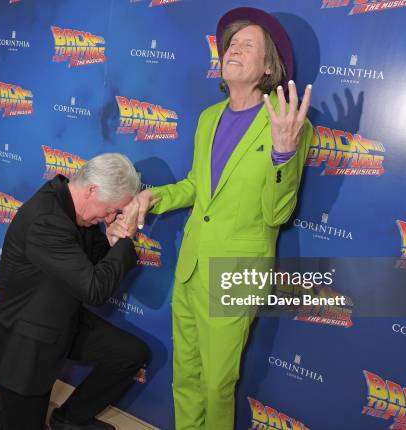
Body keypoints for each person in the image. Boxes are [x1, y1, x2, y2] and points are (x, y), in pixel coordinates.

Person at [134, 7, 314, 430]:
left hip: (237, 272)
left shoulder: (287, 125)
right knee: (187, 377)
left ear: (268, 66)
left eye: (246, 44)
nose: (233, 47)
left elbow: (278, 213)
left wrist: (284, 153)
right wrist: (153, 196)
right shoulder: (208, 118)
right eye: (231, 43)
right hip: (192, 265)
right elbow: (199, 185)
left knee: (217, 384)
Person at [0, 153, 151, 430]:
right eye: (111, 210)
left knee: (130, 353)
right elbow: (95, 290)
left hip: (62, 321)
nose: (110, 218)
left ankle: (68, 420)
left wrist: (111, 241)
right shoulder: (46, 222)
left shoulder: (73, 207)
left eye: (116, 214)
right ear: (92, 189)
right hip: (23, 343)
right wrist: (124, 241)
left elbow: (94, 261)